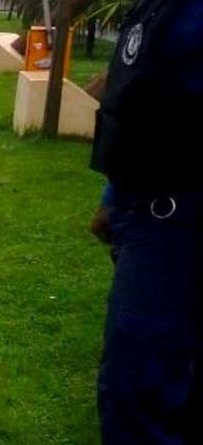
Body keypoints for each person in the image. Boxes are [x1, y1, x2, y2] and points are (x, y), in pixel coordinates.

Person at [90, 0, 203, 443]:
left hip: (176, 220)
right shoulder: (157, 9)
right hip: (143, 208)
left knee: (139, 386)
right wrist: (112, 197)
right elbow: (139, 101)